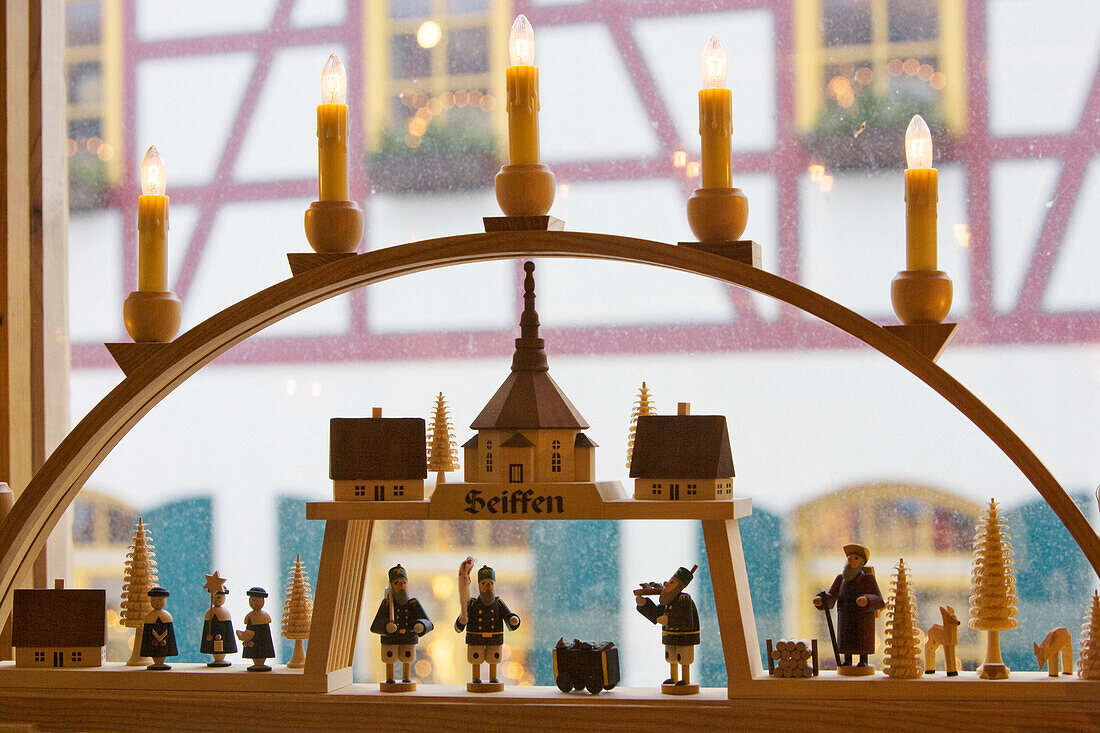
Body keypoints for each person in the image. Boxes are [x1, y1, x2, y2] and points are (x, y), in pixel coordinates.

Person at [813, 543, 885, 671]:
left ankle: (863, 660)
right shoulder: (841, 579)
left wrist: (867, 600)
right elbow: (832, 596)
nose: (851, 560)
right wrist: (822, 600)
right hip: (845, 617)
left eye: (855, 558)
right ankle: (847, 660)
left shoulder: (867, 579)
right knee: (847, 640)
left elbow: (879, 600)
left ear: (862, 562)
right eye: (849, 558)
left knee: (861, 640)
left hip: (863, 618)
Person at [454, 562, 520, 686]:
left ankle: (493, 676)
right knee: (475, 658)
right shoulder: (472, 603)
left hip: (494, 637)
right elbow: (459, 624)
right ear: (479, 586)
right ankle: (476, 676)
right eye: (484, 583)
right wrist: (461, 620)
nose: (488, 586)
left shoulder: (499, 602)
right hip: (476, 637)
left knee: (493, 658)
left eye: (491, 583)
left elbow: (508, 615)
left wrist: (513, 619)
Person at [635, 565, 700, 689]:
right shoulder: (668, 601)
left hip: (684, 635)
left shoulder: (683, 598)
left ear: (679, 586)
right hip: (669, 634)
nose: (665, 583)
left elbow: (685, 617)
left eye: (671, 582)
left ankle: (685, 679)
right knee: (671, 656)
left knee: (683, 656)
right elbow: (657, 614)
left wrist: (668, 619)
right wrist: (644, 604)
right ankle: (674, 677)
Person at [369, 564, 434, 686]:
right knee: (390, 657)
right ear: (391, 586)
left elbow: (429, 623)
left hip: (408, 638)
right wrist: (386, 626)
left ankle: (406, 676)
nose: (401, 586)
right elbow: (374, 626)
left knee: (407, 657)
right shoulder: (387, 604)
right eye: (397, 583)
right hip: (390, 639)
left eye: (403, 582)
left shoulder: (413, 604)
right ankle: (389, 677)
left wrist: (421, 625)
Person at [201, 571, 236, 667]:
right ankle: (216, 658)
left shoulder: (225, 613)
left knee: (222, 646)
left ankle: (220, 658)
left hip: (222, 637)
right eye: (213, 597)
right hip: (212, 637)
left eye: (219, 597)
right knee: (213, 646)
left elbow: (227, 631)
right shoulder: (209, 613)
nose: (216, 600)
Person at [140, 586, 178, 670]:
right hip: (153, 642)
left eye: (160, 600)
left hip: (164, 642)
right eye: (153, 600)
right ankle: (156, 662)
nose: (157, 602)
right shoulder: (149, 616)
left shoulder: (167, 616)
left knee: (162, 649)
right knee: (154, 649)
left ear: (165, 601)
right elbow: (146, 634)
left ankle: (160, 662)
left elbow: (170, 634)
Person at [238, 586, 275, 671]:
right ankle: (257, 663)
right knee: (254, 650)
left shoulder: (264, 616)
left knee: (262, 648)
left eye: (255, 600)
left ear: (262, 601)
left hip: (262, 639)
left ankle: (260, 662)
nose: (252, 602)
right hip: (252, 638)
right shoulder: (250, 615)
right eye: (251, 600)